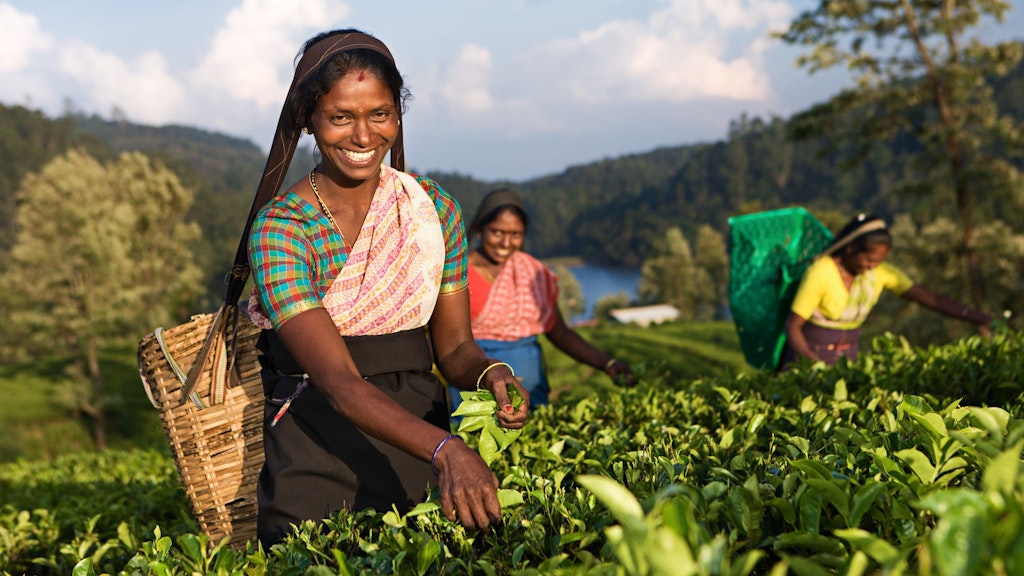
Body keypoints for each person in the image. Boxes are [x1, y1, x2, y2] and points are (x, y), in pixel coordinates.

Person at [243, 29, 529, 546]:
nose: (362, 136)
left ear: (398, 115)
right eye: (340, 117)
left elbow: (456, 348)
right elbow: (337, 381)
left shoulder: (432, 210)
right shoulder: (284, 228)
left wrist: (494, 374)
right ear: (309, 119)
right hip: (318, 449)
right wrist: (448, 451)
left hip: (420, 446)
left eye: (380, 114)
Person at [449, 188, 636, 420]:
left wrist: (606, 363)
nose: (506, 242)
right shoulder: (456, 273)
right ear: (479, 228)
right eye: (497, 232)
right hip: (474, 386)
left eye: (516, 234)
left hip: (530, 388)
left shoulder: (533, 273)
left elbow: (560, 333)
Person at [781, 213, 993, 367]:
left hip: (845, 364)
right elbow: (793, 326)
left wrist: (978, 318)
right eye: (869, 259)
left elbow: (930, 299)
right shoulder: (821, 272)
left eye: (878, 262)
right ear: (851, 248)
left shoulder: (879, 275)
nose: (873, 266)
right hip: (805, 362)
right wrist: (813, 364)